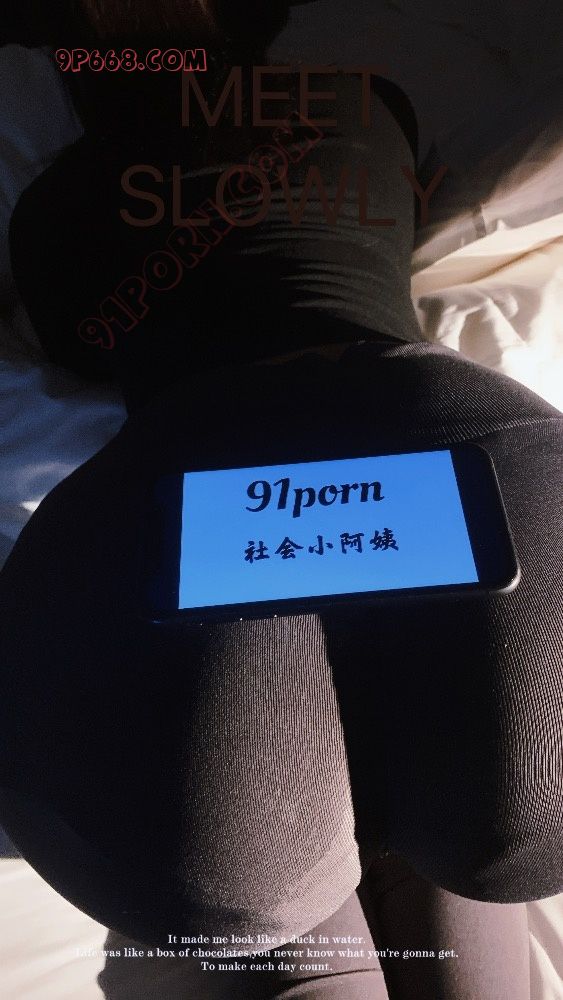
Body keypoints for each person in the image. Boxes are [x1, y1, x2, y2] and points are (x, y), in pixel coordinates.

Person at [0, 3, 561, 998]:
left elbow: (76, 343)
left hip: (196, 456)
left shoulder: (58, 209)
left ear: (87, 78)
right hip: (447, 425)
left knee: (250, 878)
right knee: (478, 791)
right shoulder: (362, 104)